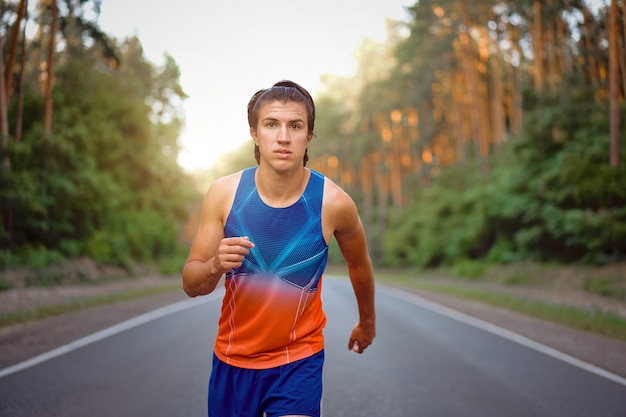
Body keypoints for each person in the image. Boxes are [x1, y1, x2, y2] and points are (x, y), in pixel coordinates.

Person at [182, 80, 376, 417]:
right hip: (233, 361)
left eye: (295, 126)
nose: (283, 136)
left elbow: (358, 264)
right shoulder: (224, 194)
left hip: (298, 360)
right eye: (271, 124)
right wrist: (215, 264)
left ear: (308, 137)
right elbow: (191, 283)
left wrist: (367, 322)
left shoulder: (334, 203)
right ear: (255, 134)